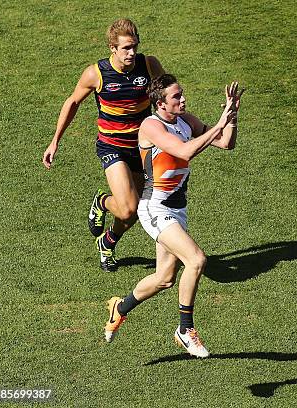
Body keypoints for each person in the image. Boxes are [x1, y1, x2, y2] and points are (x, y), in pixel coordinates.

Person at [104, 74, 244, 357]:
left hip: (177, 209)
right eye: (177, 97)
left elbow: (226, 143)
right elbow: (184, 151)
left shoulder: (186, 121)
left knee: (165, 278)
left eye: (182, 94)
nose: (183, 100)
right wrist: (218, 123)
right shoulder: (151, 126)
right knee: (196, 259)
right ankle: (185, 329)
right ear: (161, 103)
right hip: (154, 208)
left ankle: (119, 307)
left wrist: (231, 116)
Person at [42, 18, 165, 272]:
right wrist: (55, 141)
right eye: (126, 48)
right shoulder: (95, 74)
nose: (132, 52)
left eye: (135, 46)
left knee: (134, 211)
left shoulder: (149, 65)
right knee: (128, 207)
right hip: (112, 147)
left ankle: (107, 242)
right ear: (112, 48)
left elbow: (164, 98)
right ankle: (103, 202)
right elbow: (72, 103)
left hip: (141, 147)